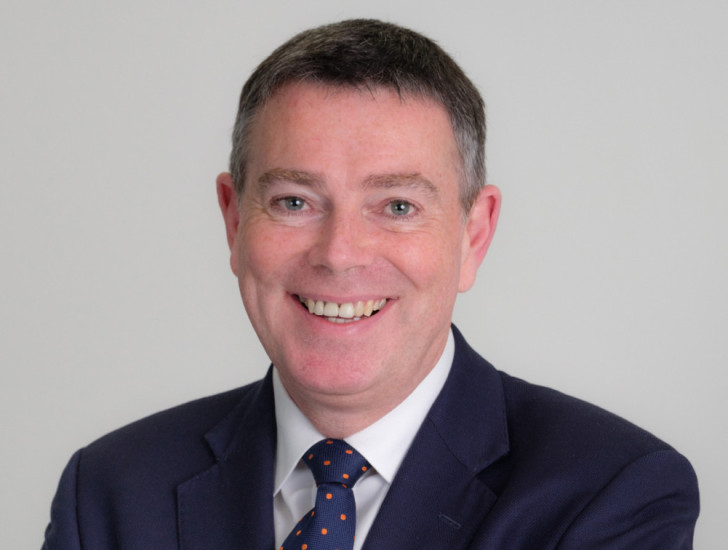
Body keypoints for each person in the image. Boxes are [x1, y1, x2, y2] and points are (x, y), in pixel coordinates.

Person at [42, 19, 699, 549]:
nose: (340, 254)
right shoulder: (112, 492)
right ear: (233, 219)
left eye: (398, 206)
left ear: (474, 235)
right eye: (295, 201)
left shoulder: (610, 492)